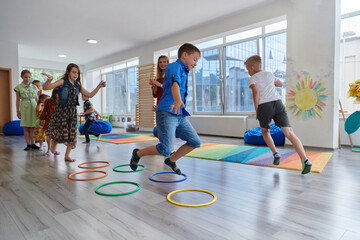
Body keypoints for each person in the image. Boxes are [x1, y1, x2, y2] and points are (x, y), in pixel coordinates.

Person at [130, 43, 201, 175]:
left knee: (195, 141)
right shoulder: (174, 66)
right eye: (195, 59)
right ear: (184, 55)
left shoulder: (184, 70)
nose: (196, 63)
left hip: (179, 115)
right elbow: (175, 84)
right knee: (165, 149)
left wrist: (179, 103)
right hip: (167, 113)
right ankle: (138, 153)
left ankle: (171, 160)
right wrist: (178, 100)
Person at [244, 55, 312, 174]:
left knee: (265, 131)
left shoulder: (251, 79)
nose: (248, 72)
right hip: (278, 103)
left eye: (248, 69)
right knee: (289, 133)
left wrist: (257, 110)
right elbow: (280, 84)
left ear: (253, 67)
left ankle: (275, 154)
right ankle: (305, 160)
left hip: (265, 106)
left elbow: (255, 92)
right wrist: (270, 83)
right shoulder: (269, 74)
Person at [42, 63, 106, 162]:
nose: (76, 75)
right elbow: (46, 88)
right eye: (73, 72)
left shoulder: (77, 85)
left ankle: (67, 155)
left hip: (72, 112)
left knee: (72, 133)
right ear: (68, 72)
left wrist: (99, 86)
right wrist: (49, 80)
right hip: (61, 111)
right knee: (58, 132)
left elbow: (90, 94)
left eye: (77, 73)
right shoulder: (63, 81)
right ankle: (54, 144)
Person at [14, 70, 40, 151]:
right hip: (25, 106)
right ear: (22, 77)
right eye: (25, 77)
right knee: (26, 126)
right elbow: (18, 100)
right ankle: (28, 144)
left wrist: (39, 107)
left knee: (33, 126)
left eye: (29, 77)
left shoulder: (34, 87)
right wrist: (17, 111)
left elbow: (37, 98)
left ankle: (33, 144)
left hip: (34, 106)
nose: (28, 79)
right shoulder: (18, 87)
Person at [40, 88, 60, 156]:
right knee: (49, 135)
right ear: (54, 94)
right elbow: (44, 111)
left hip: (58, 122)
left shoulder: (62, 101)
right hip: (49, 121)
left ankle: (54, 149)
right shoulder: (48, 101)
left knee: (56, 136)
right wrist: (42, 119)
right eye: (58, 93)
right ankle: (48, 149)